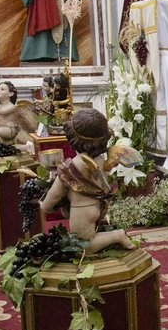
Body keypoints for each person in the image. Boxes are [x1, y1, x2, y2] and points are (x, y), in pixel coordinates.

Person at [38, 108, 139, 254]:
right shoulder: (100, 159)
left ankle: (117, 236)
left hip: (83, 209)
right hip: (97, 205)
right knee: (88, 236)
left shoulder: (71, 166)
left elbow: (55, 193)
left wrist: (45, 206)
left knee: (83, 245)